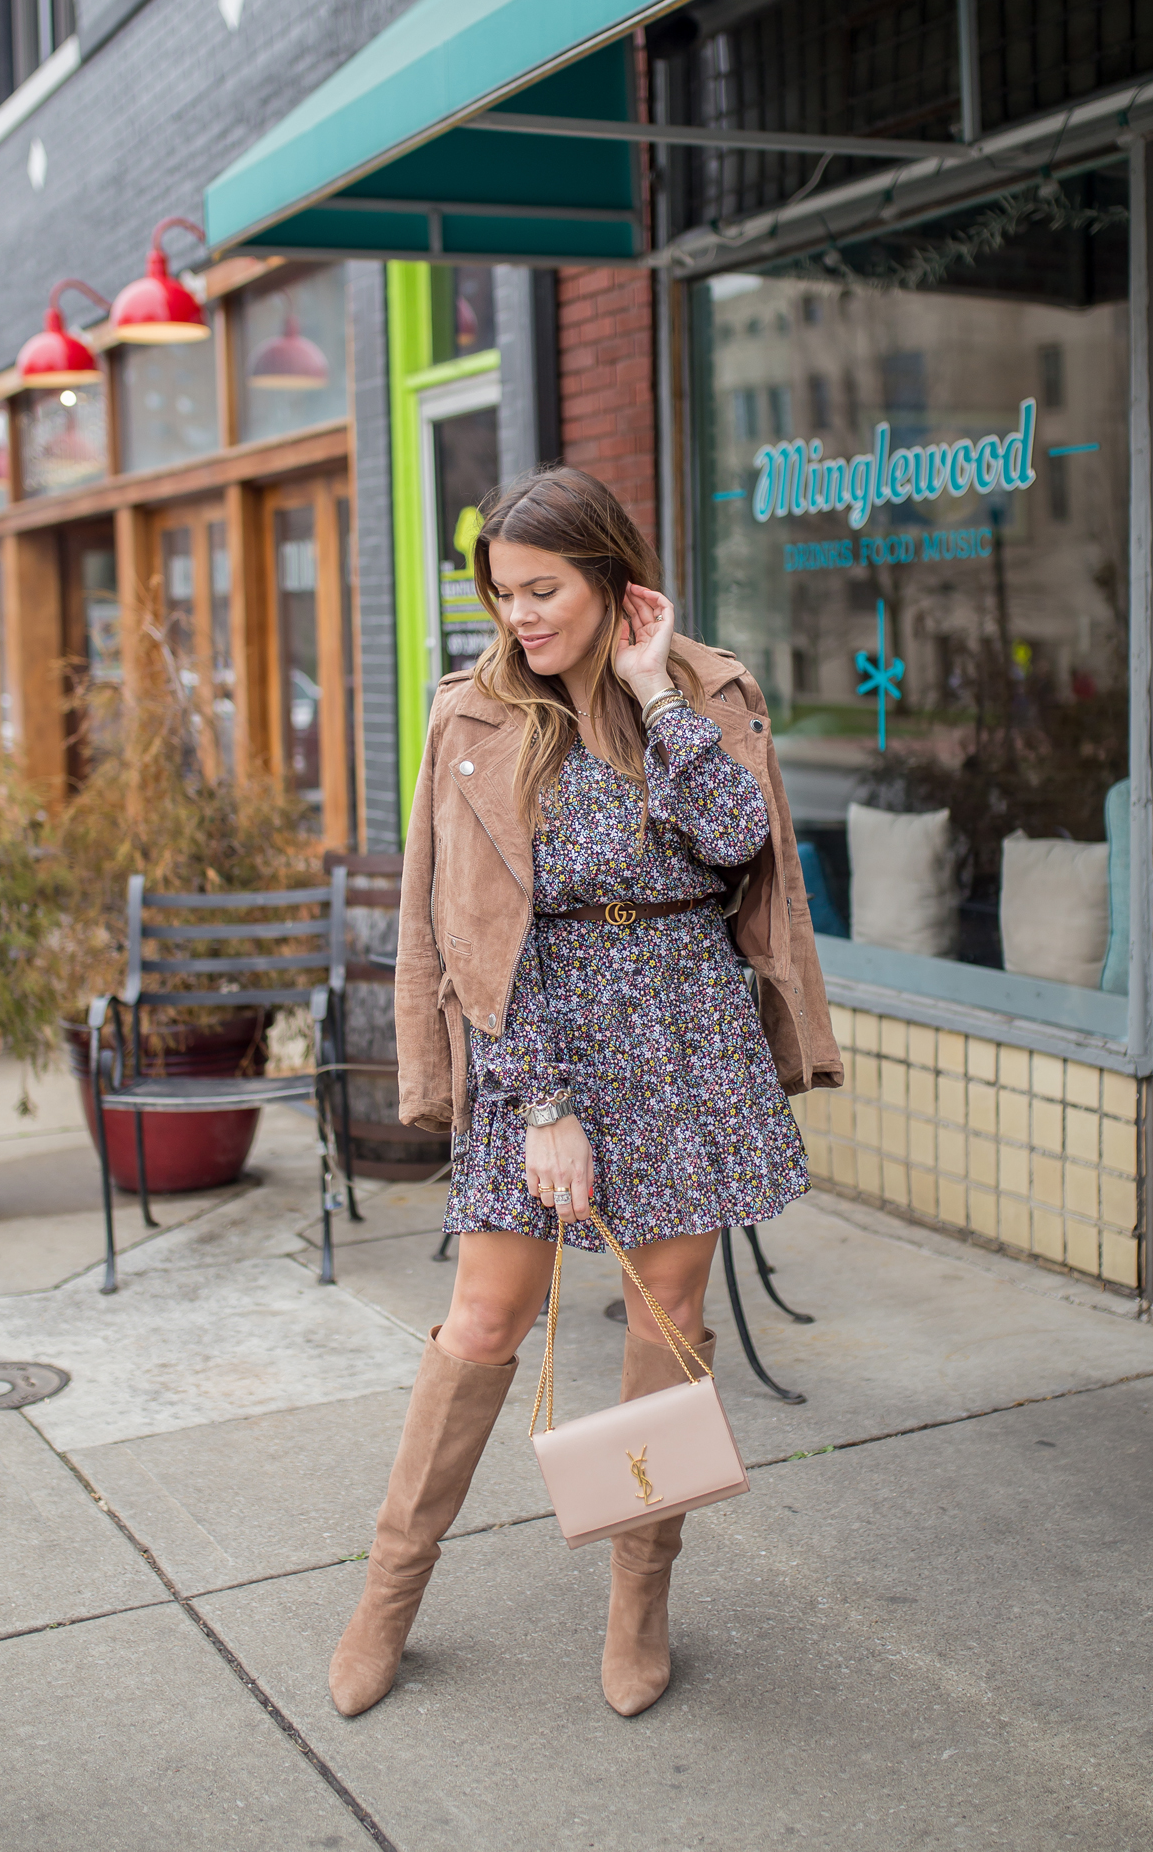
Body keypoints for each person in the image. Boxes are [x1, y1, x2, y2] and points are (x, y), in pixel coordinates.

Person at [329, 465, 843, 1720]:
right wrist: (543, 1102)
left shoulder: (706, 686)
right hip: (539, 1037)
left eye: (544, 588)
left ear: (613, 574)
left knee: (665, 1319)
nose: (521, 616)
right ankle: (389, 1592)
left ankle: (638, 1596)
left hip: (683, 1035)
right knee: (483, 1320)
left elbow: (738, 843)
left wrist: (655, 687)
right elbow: (465, 927)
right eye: (503, 593)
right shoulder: (474, 717)